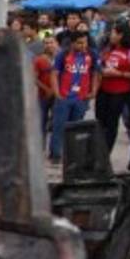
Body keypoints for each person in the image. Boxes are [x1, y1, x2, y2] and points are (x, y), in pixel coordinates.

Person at [49, 31, 101, 163]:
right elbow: (54, 74)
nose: (84, 45)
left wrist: (94, 91)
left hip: (81, 98)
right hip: (64, 97)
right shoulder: (63, 54)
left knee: (77, 128)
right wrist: (57, 94)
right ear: (72, 43)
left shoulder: (92, 54)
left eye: (85, 42)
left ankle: (72, 156)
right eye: (80, 43)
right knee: (59, 126)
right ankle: (55, 154)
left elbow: (95, 73)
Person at [96, 22, 130, 152]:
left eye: (114, 33)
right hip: (103, 89)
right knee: (100, 121)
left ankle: (106, 152)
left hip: (120, 91)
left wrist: (119, 73)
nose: (111, 35)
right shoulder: (108, 49)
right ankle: (97, 149)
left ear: (121, 35)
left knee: (112, 123)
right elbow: (100, 63)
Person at [33, 34, 59, 143]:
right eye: (46, 43)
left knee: (57, 123)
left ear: (56, 44)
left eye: (51, 42)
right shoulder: (38, 60)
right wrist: (46, 89)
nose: (49, 45)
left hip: (58, 95)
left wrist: (55, 90)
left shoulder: (61, 58)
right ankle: (40, 146)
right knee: (41, 122)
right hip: (42, 95)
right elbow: (34, 78)